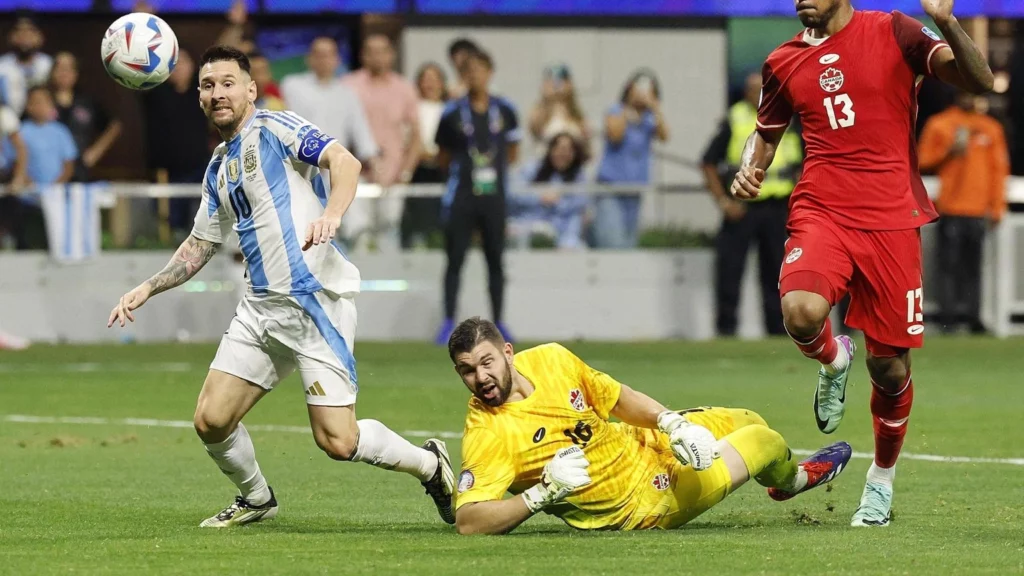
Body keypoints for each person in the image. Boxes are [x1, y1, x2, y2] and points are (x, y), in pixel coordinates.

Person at [106, 45, 455, 528]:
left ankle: (431, 465)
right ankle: (256, 497)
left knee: (338, 441)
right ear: (200, 99)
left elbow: (344, 161)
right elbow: (200, 244)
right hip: (261, 309)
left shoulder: (274, 127)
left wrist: (332, 215)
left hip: (315, 304)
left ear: (251, 90)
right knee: (210, 420)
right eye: (208, 85)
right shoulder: (218, 167)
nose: (217, 92)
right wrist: (147, 287)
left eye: (228, 82)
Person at [730, 0, 993, 526]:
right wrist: (750, 168)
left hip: (893, 219)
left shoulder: (895, 31)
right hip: (822, 208)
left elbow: (980, 80)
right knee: (801, 311)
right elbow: (767, 130)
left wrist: (947, 21)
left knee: (890, 368)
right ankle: (832, 358)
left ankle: (881, 480)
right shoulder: (783, 61)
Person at [447, 317, 852, 535]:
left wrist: (671, 423)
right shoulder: (487, 431)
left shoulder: (551, 359)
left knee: (749, 419)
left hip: (644, 443)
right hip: (646, 500)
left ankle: (777, 482)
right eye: (466, 371)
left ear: (507, 353)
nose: (480, 378)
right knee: (764, 440)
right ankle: (796, 480)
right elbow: (469, 521)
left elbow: (617, 398)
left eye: (486, 363)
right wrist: (542, 494)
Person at [702, 72, 803, 337]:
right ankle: (726, 331)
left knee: (778, 274)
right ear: (745, 93)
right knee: (730, 271)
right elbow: (708, 162)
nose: (758, 94)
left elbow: (807, 160)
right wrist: (723, 202)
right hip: (742, 207)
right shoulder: (735, 118)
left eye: (763, 89)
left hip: (778, 208)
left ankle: (779, 334)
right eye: (753, 89)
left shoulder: (789, 117)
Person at [434, 49, 520, 345]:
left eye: (480, 70)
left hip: (494, 197)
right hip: (461, 196)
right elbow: (442, 156)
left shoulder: (505, 110)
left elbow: (513, 152)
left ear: (490, 73)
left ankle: (499, 322)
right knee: (455, 259)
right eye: (469, 72)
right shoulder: (453, 112)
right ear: (463, 76)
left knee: (495, 259)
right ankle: (447, 322)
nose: (475, 77)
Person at [918, 90, 1009, 334]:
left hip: (978, 209)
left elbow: (998, 170)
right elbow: (922, 159)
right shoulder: (941, 124)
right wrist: (949, 151)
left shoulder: (990, 128)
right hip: (950, 206)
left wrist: (997, 207)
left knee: (973, 268)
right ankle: (948, 320)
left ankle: (972, 318)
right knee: (948, 266)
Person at [593, 70, 669, 249]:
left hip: (634, 189)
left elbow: (664, 136)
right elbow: (615, 135)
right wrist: (629, 108)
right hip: (611, 188)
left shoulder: (650, 117)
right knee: (612, 242)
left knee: (629, 243)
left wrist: (654, 107)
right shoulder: (616, 110)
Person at [14, 86, 77, 250]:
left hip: (56, 200)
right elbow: (14, 162)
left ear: (51, 106)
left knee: (54, 243)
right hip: (27, 200)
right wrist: (29, 183)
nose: (39, 107)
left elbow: (69, 165)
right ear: (28, 106)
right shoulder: (20, 132)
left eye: (44, 102)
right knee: (26, 245)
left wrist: (54, 187)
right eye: (35, 103)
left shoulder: (60, 131)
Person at [49, 52, 122, 182]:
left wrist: (95, 152)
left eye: (69, 68)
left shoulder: (87, 102)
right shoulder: (43, 101)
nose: (64, 73)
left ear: (76, 73)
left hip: (80, 171)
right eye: (59, 68)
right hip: (50, 170)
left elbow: (114, 126)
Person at [508, 132, 589, 250]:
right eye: (559, 148)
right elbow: (513, 194)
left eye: (568, 150)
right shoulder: (533, 169)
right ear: (551, 149)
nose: (562, 154)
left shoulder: (579, 178)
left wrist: (558, 201)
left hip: (559, 234)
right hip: (528, 227)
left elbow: (577, 207)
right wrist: (539, 197)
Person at [401, 62, 448, 249]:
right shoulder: (414, 108)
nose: (430, 84)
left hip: (443, 167)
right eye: (425, 80)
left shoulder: (449, 108)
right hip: (417, 168)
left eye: (434, 80)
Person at [0, 15, 52, 116]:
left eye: (30, 31)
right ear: (10, 37)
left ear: (40, 37)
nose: (24, 36)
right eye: (19, 31)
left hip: (43, 122)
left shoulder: (49, 64)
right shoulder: (1, 66)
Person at [527, 64, 590, 149]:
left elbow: (585, 137)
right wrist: (549, 99)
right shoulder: (539, 111)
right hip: (546, 160)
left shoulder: (576, 113)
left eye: (562, 81)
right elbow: (535, 129)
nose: (557, 86)